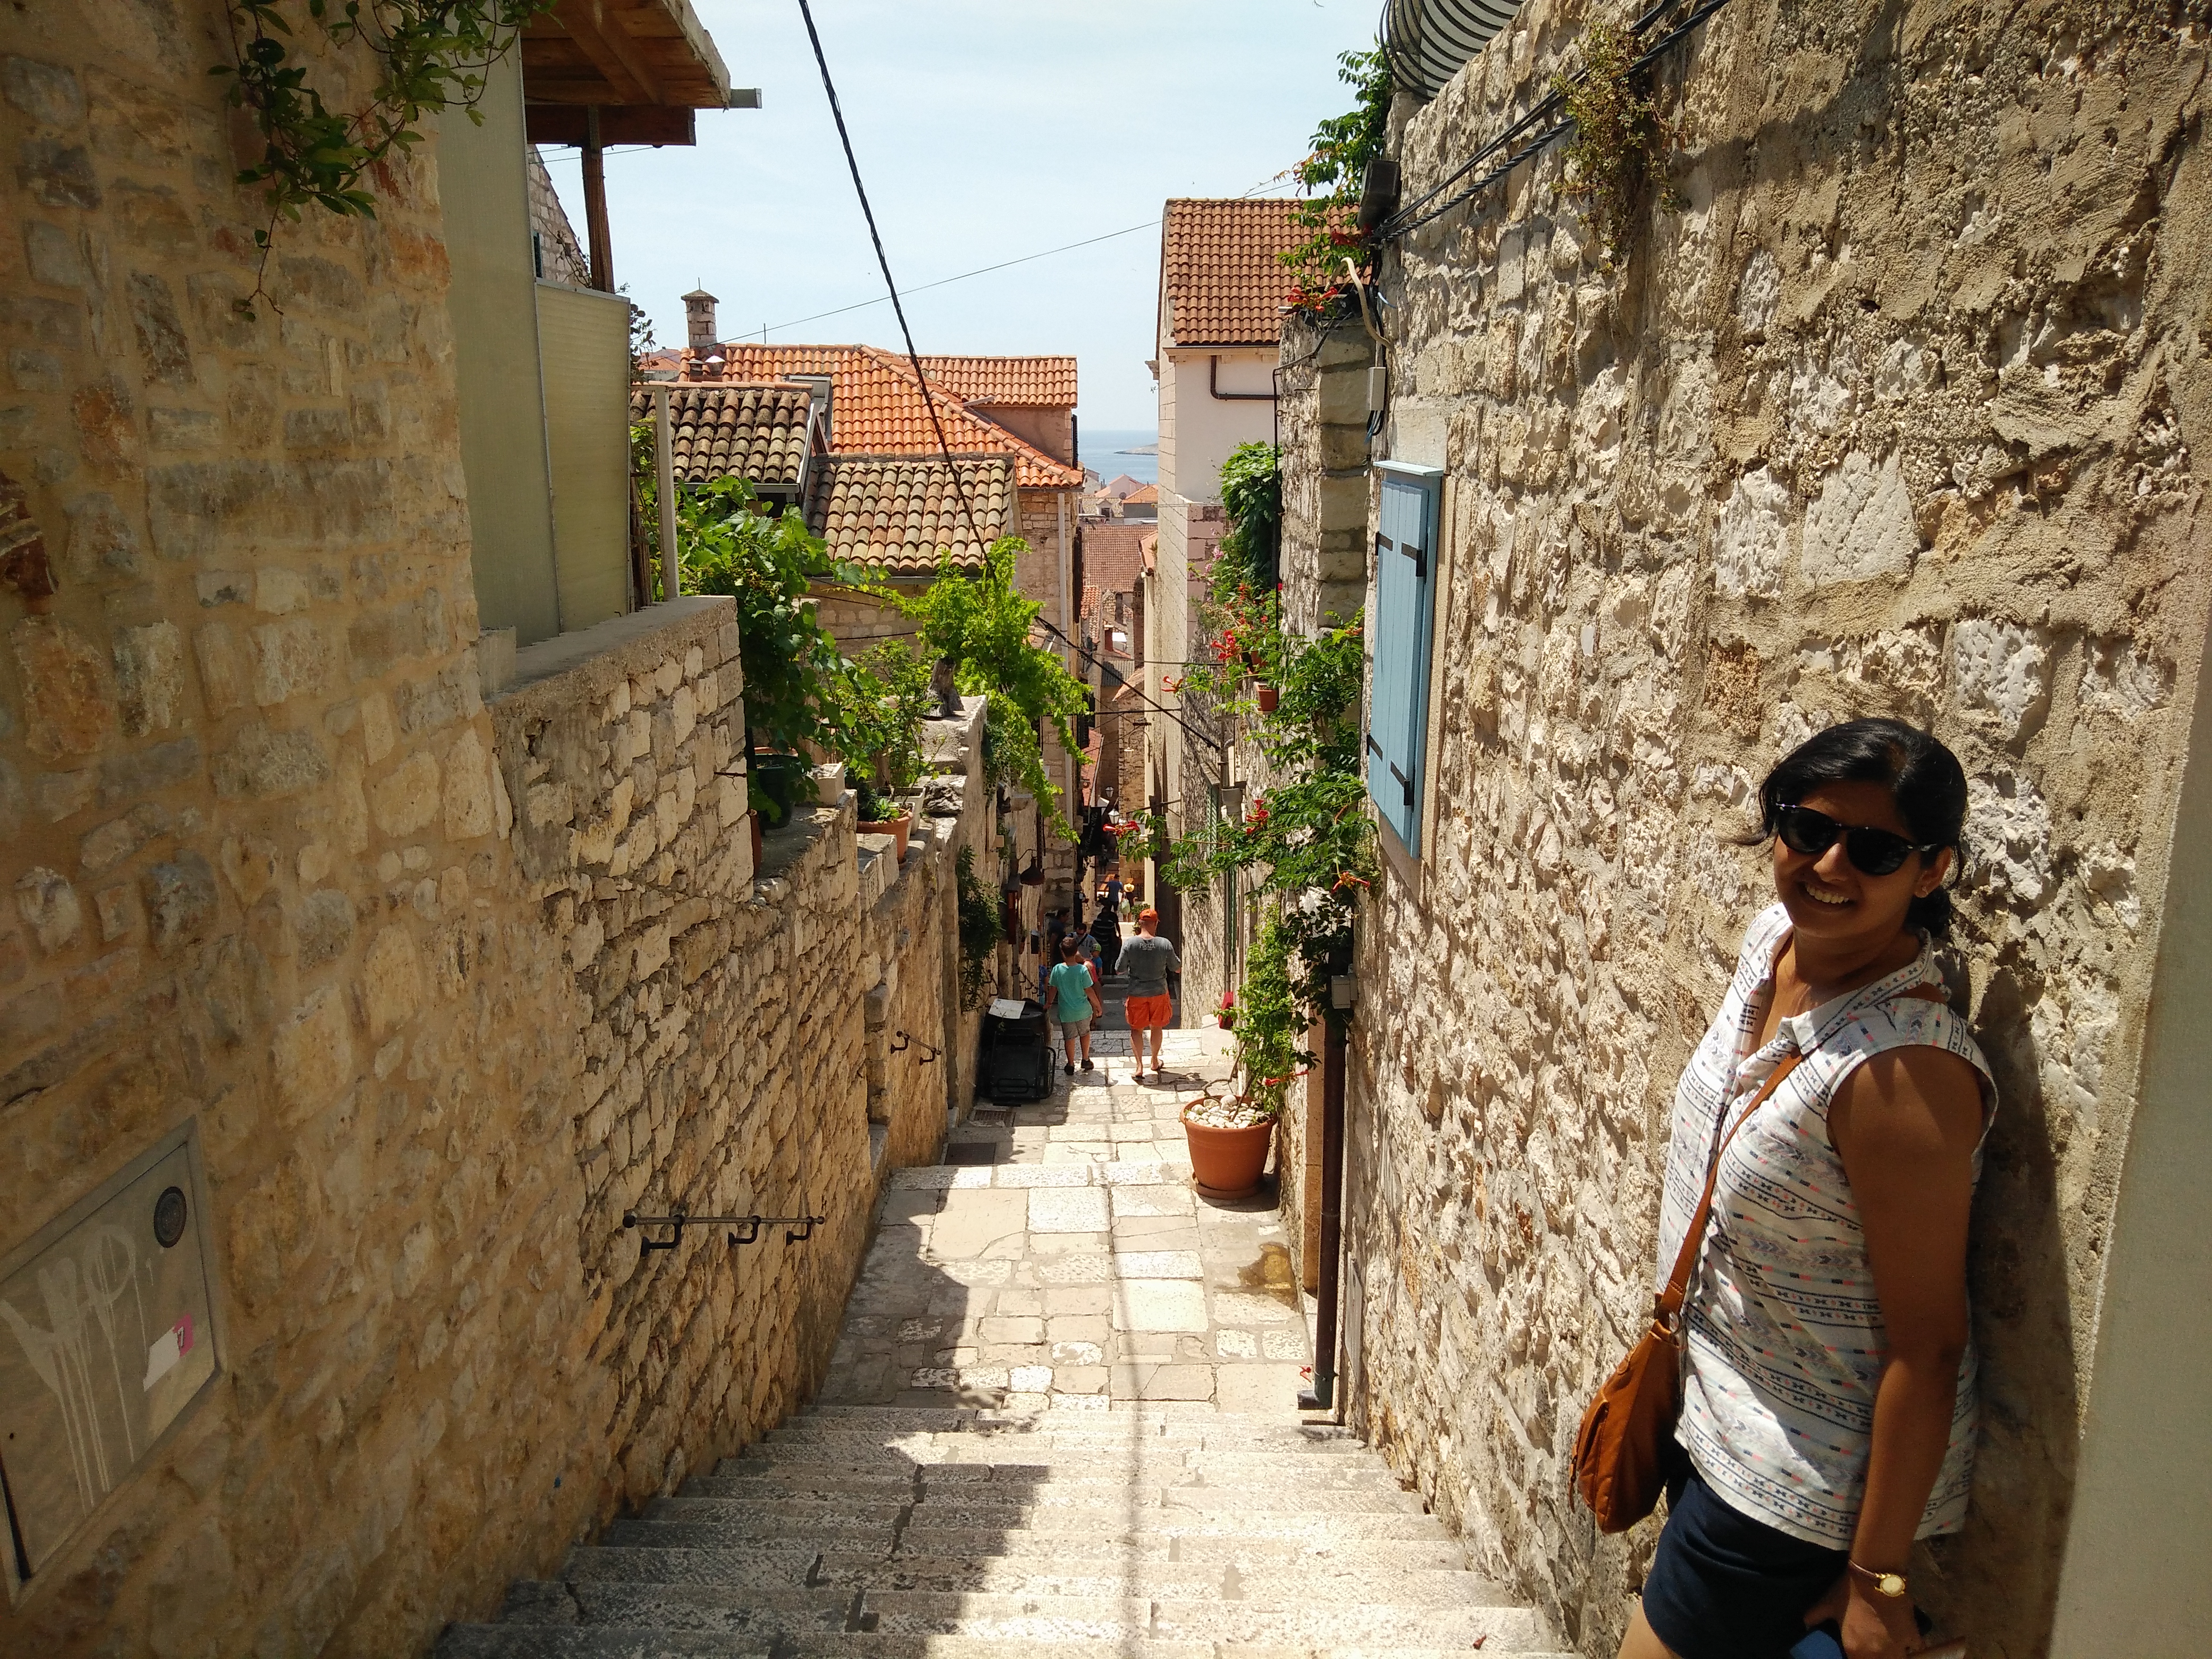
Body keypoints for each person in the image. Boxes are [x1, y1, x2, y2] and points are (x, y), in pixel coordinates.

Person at [1619, 719, 1993, 1659]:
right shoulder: (1772, 947)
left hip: (1792, 1488)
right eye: (1807, 828)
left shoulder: (1900, 1075)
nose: (1830, 864)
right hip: (1714, 1419)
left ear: (1932, 870)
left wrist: (1876, 1583)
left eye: (1874, 849)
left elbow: (1931, 1346)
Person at [1119, 907, 1180, 1079]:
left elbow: (1119, 969)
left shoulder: (1130, 944)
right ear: (1156, 924)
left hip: (1137, 993)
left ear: (1140, 923)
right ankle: (1154, 1061)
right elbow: (1177, 968)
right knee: (1157, 1027)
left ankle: (1139, 1066)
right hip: (1159, 992)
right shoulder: (1164, 944)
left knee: (1136, 1030)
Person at [1046, 936, 1102, 1075]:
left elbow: (1053, 989)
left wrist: (1048, 1004)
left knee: (1069, 1038)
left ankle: (1071, 1064)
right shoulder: (1082, 970)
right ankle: (1085, 1059)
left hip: (1066, 1012)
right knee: (1085, 1034)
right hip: (1083, 1011)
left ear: (1062, 953)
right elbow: (1089, 991)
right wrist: (1098, 1006)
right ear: (1077, 951)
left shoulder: (1057, 969)